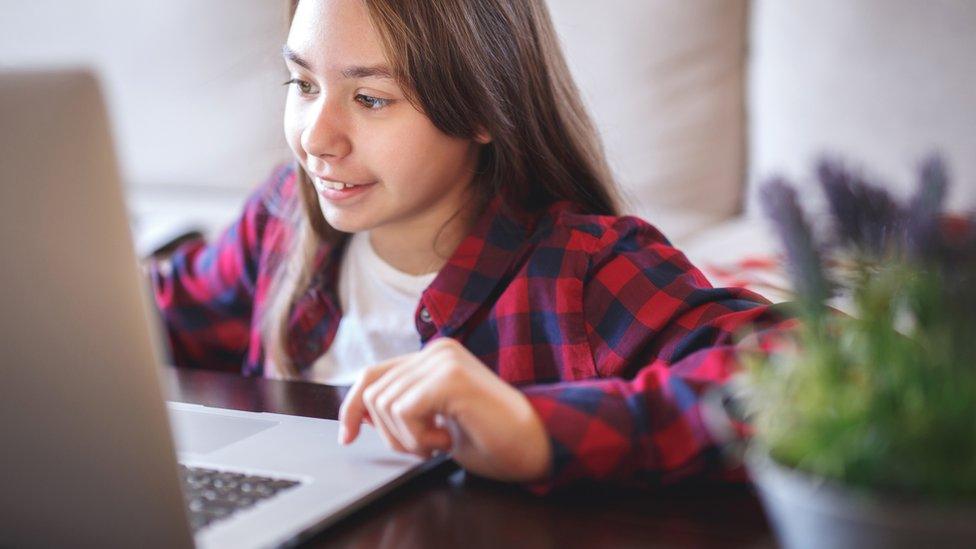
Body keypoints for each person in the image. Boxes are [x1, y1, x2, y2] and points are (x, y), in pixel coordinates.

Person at [150, 0, 787, 491]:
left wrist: (536, 429)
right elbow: (143, 318)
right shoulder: (284, 222)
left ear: (484, 107)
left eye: (371, 98)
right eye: (304, 85)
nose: (316, 139)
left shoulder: (581, 272)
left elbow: (813, 370)